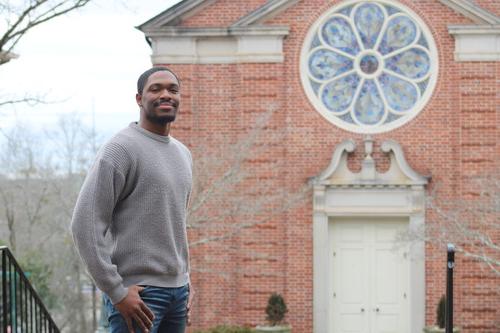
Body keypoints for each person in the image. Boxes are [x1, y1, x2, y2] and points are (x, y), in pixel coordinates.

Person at [71, 67, 194, 333]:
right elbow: (84, 224)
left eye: (173, 90)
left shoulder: (183, 154)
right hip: (139, 295)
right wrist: (116, 291)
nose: (166, 95)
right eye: (156, 89)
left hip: (178, 294)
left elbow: (176, 226)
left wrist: (185, 280)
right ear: (139, 99)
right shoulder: (120, 149)